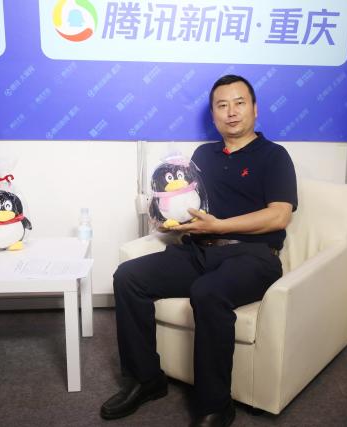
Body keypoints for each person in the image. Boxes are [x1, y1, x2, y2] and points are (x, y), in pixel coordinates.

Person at [100, 74, 297, 427]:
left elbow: (279, 215)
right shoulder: (202, 155)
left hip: (252, 256)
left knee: (207, 292)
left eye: (239, 103)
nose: (231, 112)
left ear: (255, 109)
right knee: (128, 277)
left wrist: (220, 226)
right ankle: (146, 380)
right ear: (213, 114)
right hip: (198, 250)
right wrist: (169, 220)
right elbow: (188, 204)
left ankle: (215, 405)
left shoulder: (274, 156)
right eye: (222, 105)